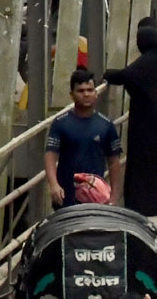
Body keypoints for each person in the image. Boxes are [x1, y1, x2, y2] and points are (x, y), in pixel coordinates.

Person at [44, 68, 123, 209]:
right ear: (72, 95)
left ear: (96, 93)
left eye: (90, 90)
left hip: (95, 198)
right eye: (80, 91)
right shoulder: (60, 123)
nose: (86, 94)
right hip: (65, 196)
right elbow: (50, 156)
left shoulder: (106, 125)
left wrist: (114, 196)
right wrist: (54, 185)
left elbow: (114, 163)